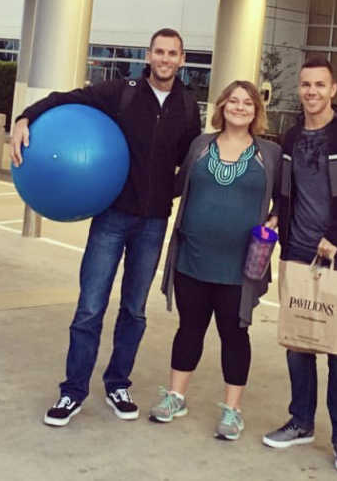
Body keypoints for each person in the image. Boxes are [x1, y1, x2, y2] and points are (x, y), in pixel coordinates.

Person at [11, 28, 200, 427]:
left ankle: (118, 383)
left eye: (173, 54)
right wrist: (25, 117)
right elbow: (68, 99)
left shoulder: (187, 104)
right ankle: (72, 391)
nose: (165, 59)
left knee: (134, 310)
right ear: (149, 55)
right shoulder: (123, 91)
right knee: (90, 308)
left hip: (153, 222)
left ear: (182, 60)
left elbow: (191, 159)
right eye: (159, 52)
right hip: (112, 217)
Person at [263, 56, 337, 475]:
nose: (311, 92)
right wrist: (277, 217)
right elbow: (285, 191)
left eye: (319, 85)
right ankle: (300, 421)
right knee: (298, 342)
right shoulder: (293, 136)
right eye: (305, 85)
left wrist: (336, 235)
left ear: (334, 90)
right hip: (296, 254)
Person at [150, 80, 281, 441]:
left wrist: (277, 218)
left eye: (247, 103)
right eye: (233, 101)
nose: (239, 107)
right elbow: (175, 185)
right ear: (221, 107)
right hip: (193, 257)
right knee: (190, 327)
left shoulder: (268, 153)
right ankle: (175, 396)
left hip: (241, 265)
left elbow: (287, 195)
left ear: (256, 111)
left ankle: (232, 411)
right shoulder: (200, 146)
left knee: (234, 335)